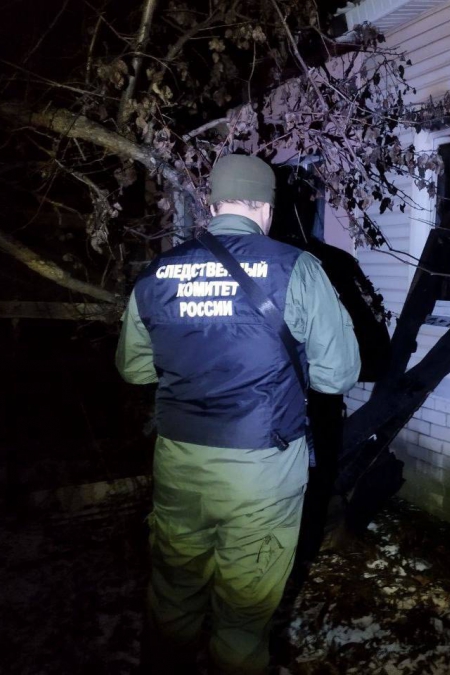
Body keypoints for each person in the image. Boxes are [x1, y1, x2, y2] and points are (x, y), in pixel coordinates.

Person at [115, 154, 360, 674]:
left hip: (180, 463)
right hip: (263, 470)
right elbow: (336, 376)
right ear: (267, 209)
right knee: (245, 612)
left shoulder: (158, 273)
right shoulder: (296, 268)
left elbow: (134, 370)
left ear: (211, 206)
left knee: (174, 594)